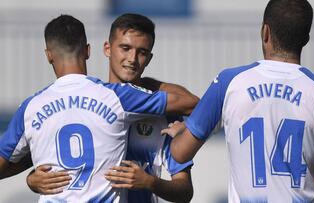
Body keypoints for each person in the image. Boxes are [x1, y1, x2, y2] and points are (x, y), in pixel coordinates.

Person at [162, 0, 314, 202]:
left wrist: (181, 133)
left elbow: (180, 153)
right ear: (305, 39)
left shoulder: (229, 82)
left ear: (265, 32)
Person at [0, 14, 194, 202]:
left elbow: (185, 191)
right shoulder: (104, 99)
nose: (132, 59)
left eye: (142, 52)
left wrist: (150, 182)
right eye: (125, 48)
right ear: (104, 49)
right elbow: (52, 154)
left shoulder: (164, 118)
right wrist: (32, 178)